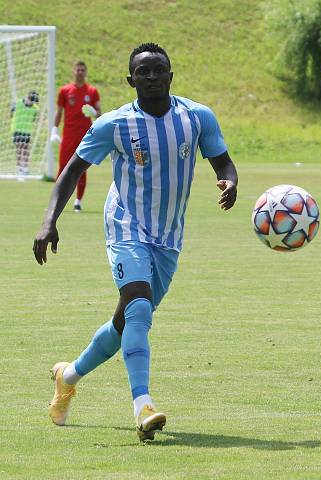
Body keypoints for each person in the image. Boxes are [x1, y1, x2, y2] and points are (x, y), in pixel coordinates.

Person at [33, 43, 239, 442]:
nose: (150, 76)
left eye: (157, 69)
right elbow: (72, 170)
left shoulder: (196, 117)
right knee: (139, 307)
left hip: (168, 237)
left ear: (170, 75)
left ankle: (68, 375)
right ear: (131, 81)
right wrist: (48, 221)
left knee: (125, 321)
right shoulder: (115, 124)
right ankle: (142, 404)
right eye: (142, 72)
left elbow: (222, 161)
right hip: (125, 224)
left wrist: (230, 180)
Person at [51, 60, 101, 212]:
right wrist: (54, 129)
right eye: (77, 69)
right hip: (68, 136)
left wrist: (94, 113)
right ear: (73, 71)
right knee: (62, 168)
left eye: (82, 70)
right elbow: (59, 112)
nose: (80, 72)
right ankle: (56, 202)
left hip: (85, 137)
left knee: (82, 168)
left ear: (85, 72)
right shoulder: (65, 91)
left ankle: (77, 201)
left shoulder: (92, 91)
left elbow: (99, 114)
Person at [10, 90, 39, 177]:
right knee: (19, 148)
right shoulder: (18, 103)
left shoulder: (35, 108)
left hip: (27, 130)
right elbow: (11, 113)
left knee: (26, 150)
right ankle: (19, 168)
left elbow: (34, 119)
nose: (32, 102)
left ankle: (25, 169)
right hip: (17, 129)